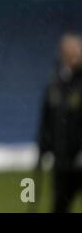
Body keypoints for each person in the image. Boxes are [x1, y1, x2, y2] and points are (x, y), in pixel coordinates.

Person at [37, 33, 82, 212]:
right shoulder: (54, 84)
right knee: (60, 205)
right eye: (75, 50)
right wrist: (43, 145)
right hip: (63, 160)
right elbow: (47, 120)